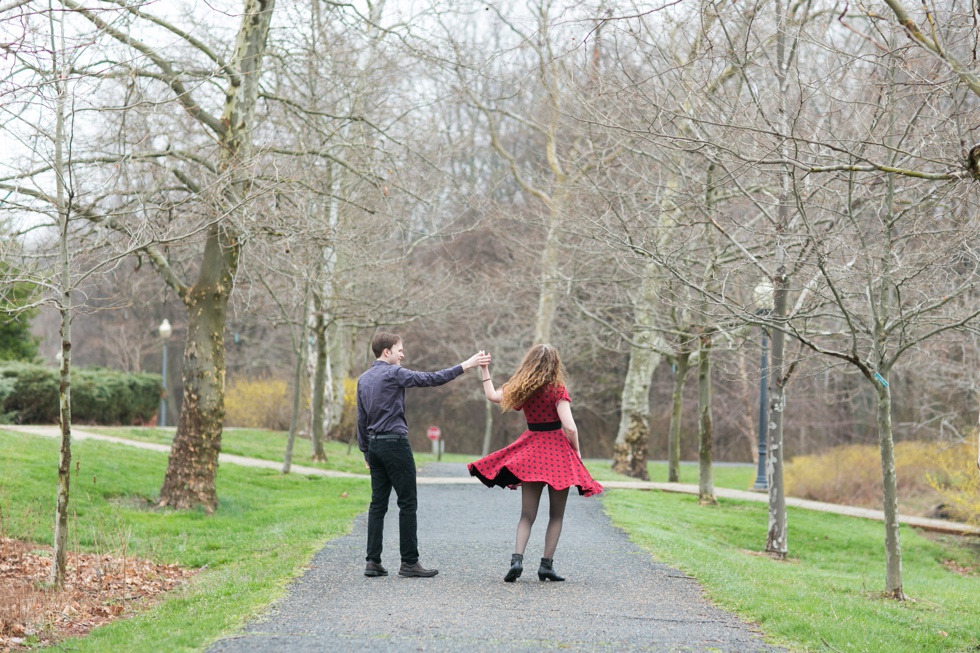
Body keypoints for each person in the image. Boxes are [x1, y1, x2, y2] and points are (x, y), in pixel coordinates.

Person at [357, 332, 491, 579]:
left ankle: (372, 562)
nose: (402, 354)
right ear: (386, 352)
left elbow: (361, 419)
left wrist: (365, 450)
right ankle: (409, 562)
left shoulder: (363, 379)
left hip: (374, 446)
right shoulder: (394, 373)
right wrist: (467, 365)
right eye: (399, 350)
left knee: (378, 504)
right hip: (395, 444)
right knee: (407, 502)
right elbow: (432, 379)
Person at [468, 344, 603, 583]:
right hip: (558, 455)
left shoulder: (522, 388)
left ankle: (517, 560)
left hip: (531, 454)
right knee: (556, 516)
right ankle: (546, 566)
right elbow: (570, 427)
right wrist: (577, 450)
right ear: (555, 365)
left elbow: (491, 396)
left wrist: (485, 369)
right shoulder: (557, 390)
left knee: (527, 515)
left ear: (529, 363)